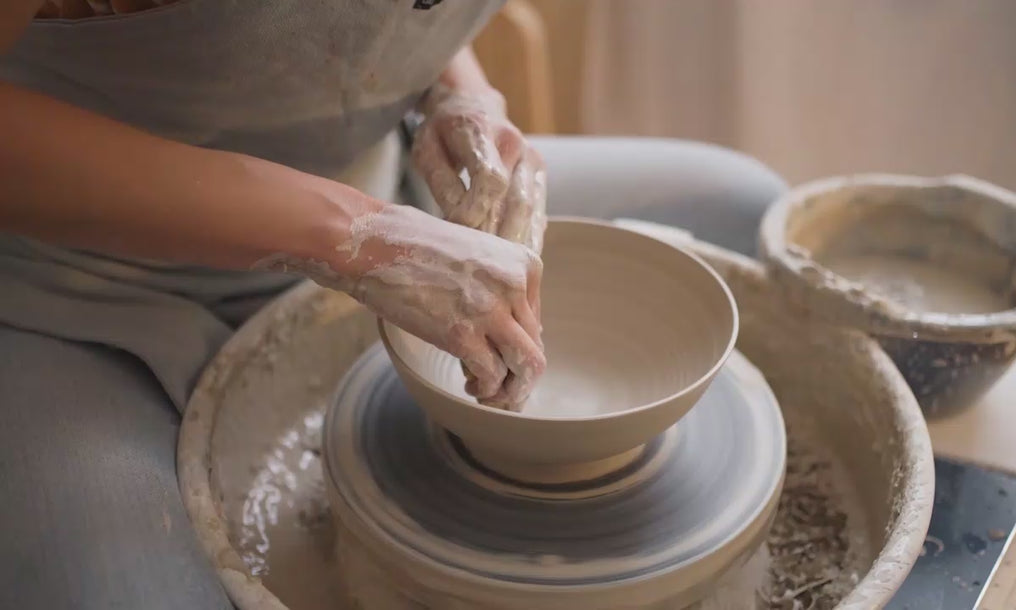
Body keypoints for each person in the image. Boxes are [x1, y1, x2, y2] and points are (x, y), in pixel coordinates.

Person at [0, 1, 786, 608]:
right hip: (87, 279)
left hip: (388, 191)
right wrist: (352, 238)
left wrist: (460, 97)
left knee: (742, 204)